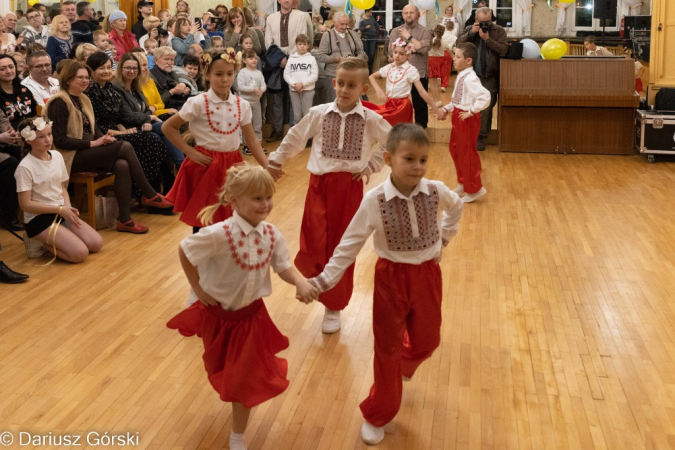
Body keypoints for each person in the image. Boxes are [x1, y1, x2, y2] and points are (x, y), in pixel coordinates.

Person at [308, 122, 463, 445]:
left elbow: (456, 207)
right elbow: (348, 246)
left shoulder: (435, 191)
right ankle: (379, 412)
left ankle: (402, 367)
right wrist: (323, 281)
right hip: (390, 279)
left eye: (423, 159)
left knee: (427, 341)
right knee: (386, 348)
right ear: (389, 159)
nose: (418, 167)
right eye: (409, 159)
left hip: (427, 278)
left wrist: (444, 238)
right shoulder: (375, 201)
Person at [166, 164, 318, 450]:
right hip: (218, 318)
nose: (265, 205)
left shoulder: (272, 234)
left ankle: (238, 435)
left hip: (252, 318)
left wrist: (300, 282)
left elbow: (283, 265)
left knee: (243, 379)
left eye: (268, 197)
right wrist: (197, 289)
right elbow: (186, 251)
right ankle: (235, 401)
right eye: (257, 198)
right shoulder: (219, 234)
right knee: (221, 370)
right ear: (234, 200)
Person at [267, 57, 391, 334]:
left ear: (362, 89)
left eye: (352, 85)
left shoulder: (371, 118)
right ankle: (312, 282)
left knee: (341, 247)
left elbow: (392, 142)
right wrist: (276, 160)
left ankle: (333, 305)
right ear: (334, 84)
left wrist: (373, 165)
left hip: (349, 190)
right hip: (318, 186)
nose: (345, 90)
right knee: (313, 240)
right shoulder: (320, 112)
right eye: (341, 84)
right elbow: (296, 137)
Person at [45, 60, 173, 233]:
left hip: (85, 151)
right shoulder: (59, 102)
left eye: (86, 78)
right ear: (67, 79)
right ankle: (149, 193)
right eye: (79, 78)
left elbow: (94, 128)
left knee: (122, 164)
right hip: (67, 156)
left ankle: (125, 220)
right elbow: (59, 140)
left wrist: (104, 138)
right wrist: (93, 143)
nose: (84, 81)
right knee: (125, 146)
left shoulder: (83, 98)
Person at [162, 48, 268, 232]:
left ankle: (228, 257)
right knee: (204, 220)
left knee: (234, 217)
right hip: (205, 165)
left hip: (233, 166)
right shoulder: (198, 102)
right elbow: (168, 127)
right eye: (219, 74)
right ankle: (200, 257)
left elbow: (251, 140)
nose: (225, 79)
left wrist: (267, 167)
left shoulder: (242, 104)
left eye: (229, 74)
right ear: (207, 74)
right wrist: (190, 152)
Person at [15, 116, 103, 263]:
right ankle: (39, 241)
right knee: (79, 254)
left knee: (96, 244)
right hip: (39, 218)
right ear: (28, 140)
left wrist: (67, 207)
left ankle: (61, 235)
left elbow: (61, 187)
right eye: (41, 137)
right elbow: (25, 205)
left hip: (60, 211)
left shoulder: (56, 156)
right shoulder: (25, 167)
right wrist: (60, 210)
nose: (48, 140)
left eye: (49, 134)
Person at [85, 51, 169, 193]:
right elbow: (97, 125)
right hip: (104, 136)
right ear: (92, 71)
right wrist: (121, 132)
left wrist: (123, 130)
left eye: (108, 67)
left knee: (160, 133)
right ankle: (148, 191)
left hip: (118, 130)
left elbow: (116, 118)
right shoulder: (90, 91)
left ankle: (161, 186)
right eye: (101, 68)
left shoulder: (108, 87)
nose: (106, 71)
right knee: (151, 139)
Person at [438, 43, 490, 203]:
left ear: (468, 61)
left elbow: (485, 96)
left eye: (458, 56)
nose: (453, 58)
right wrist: (447, 109)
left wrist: (471, 111)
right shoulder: (462, 75)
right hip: (459, 116)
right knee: (456, 150)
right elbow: (458, 99)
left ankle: (475, 188)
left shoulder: (471, 78)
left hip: (467, 119)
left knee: (467, 154)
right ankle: (463, 182)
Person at [457, 6, 507, 150]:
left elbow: (503, 50)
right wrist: (471, 33)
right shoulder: (469, 29)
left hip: (489, 76)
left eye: (488, 21)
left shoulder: (499, 31)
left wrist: (487, 39)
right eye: (482, 21)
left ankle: (481, 137)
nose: (485, 24)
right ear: (476, 19)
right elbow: (458, 44)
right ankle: (466, 134)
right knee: (466, 105)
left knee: (485, 109)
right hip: (469, 75)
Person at [365, 39, 441, 126]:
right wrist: (378, 90)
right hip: (389, 104)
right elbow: (371, 76)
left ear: (408, 55)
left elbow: (422, 92)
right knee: (376, 118)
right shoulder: (389, 67)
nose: (397, 56)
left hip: (402, 106)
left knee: (399, 131)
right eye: (395, 52)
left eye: (401, 54)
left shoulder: (410, 70)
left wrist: (436, 109)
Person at [264, 0, 308, 142]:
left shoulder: (301, 16)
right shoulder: (271, 18)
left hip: (295, 61)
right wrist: (281, 58)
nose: (287, 0)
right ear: (279, 1)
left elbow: (302, 38)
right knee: (276, 99)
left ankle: (294, 132)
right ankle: (278, 130)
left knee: (294, 97)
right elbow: (268, 42)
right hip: (277, 64)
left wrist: (289, 58)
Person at [387, 5, 431, 128]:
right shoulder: (396, 31)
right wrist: (413, 46)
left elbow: (424, 48)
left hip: (419, 72)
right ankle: (399, 131)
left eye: (411, 12)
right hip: (399, 74)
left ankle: (420, 132)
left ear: (417, 14)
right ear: (402, 15)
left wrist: (409, 38)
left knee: (420, 105)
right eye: (405, 13)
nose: (408, 15)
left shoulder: (424, 31)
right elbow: (391, 52)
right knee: (397, 104)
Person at [316, 11, 367, 103]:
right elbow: (321, 57)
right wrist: (338, 59)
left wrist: (355, 60)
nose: (344, 27)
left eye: (346, 24)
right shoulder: (327, 36)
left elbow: (361, 52)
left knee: (356, 102)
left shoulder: (353, 34)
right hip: (333, 75)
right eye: (341, 24)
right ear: (334, 22)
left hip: (353, 73)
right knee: (334, 103)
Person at [284, 34, 317, 131]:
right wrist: (294, 84)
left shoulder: (311, 59)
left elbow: (314, 75)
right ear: (296, 45)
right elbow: (286, 74)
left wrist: (302, 84)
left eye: (304, 44)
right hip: (294, 90)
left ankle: (307, 137)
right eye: (300, 44)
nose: (302, 46)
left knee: (307, 115)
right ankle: (297, 137)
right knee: (297, 116)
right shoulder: (291, 59)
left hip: (308, 90)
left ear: (308, 45)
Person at [237, 49, 266, 155]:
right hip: (246, 102)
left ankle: (258, 144)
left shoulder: (258, 73)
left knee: (257, 124)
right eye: (251, 58)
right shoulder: (242, 72)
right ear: (244, 60)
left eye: (255, 58)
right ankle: (246, 145)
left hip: (256, 102)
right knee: (247, 124)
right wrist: (253, 89)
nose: (254, 60)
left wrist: (261, 90)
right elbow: (240, 87)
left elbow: (263, 85)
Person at [0, 54, 37, 131]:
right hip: (9, 137)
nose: (8, 71)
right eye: (2, 69)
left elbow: (36, 112)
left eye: (11, 67)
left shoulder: (24, 90)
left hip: (31, 133)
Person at [149, 46, 191, 111]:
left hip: (178, 104)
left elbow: (178, 89)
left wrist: (183, 87)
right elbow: (156, 103)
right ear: (156, 60)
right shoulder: (151, 77)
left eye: (172, 59)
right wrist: (172, 92)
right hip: (165, 109)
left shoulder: (172, 73)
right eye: (166, 59)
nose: (170, 63)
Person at [428, 24, 455, 106]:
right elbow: (451, 54)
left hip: (431, 61)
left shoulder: (431, 41)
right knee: (436, 83)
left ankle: (437, 101)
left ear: (435, 32)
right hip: (440, 61)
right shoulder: (444, 42)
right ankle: (437, 101)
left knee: (433, 84)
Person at [358, 9, 379, 73]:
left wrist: (377, 30)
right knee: (366, 54)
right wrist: (366, 28)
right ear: (366, 12)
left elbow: (376, 25)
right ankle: (365, 69)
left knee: (372, 54)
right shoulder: (362, 19)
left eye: (371, 12)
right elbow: (360, 29)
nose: (371, 14)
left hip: (373, 38)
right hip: (366, 38)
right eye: (370, 12)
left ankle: (370, 69)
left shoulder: (372, 18)